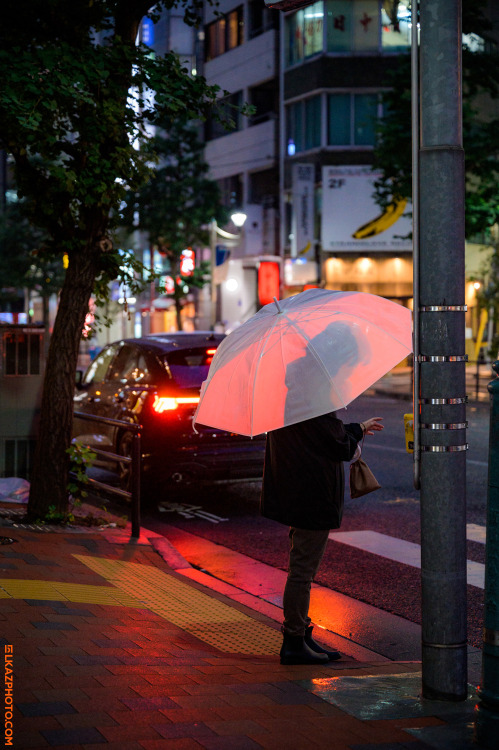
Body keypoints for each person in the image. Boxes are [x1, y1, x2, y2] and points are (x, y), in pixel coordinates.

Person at [260, 412, 383, 665]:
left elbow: (324, 434)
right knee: (302, 572)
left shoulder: (289, 406)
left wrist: (358, 426)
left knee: (302, 569)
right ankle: (294, 640)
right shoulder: (315, 406)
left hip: (299, 495)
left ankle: (302, 636)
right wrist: (357, 431)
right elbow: (341, 446)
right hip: (313, 498)